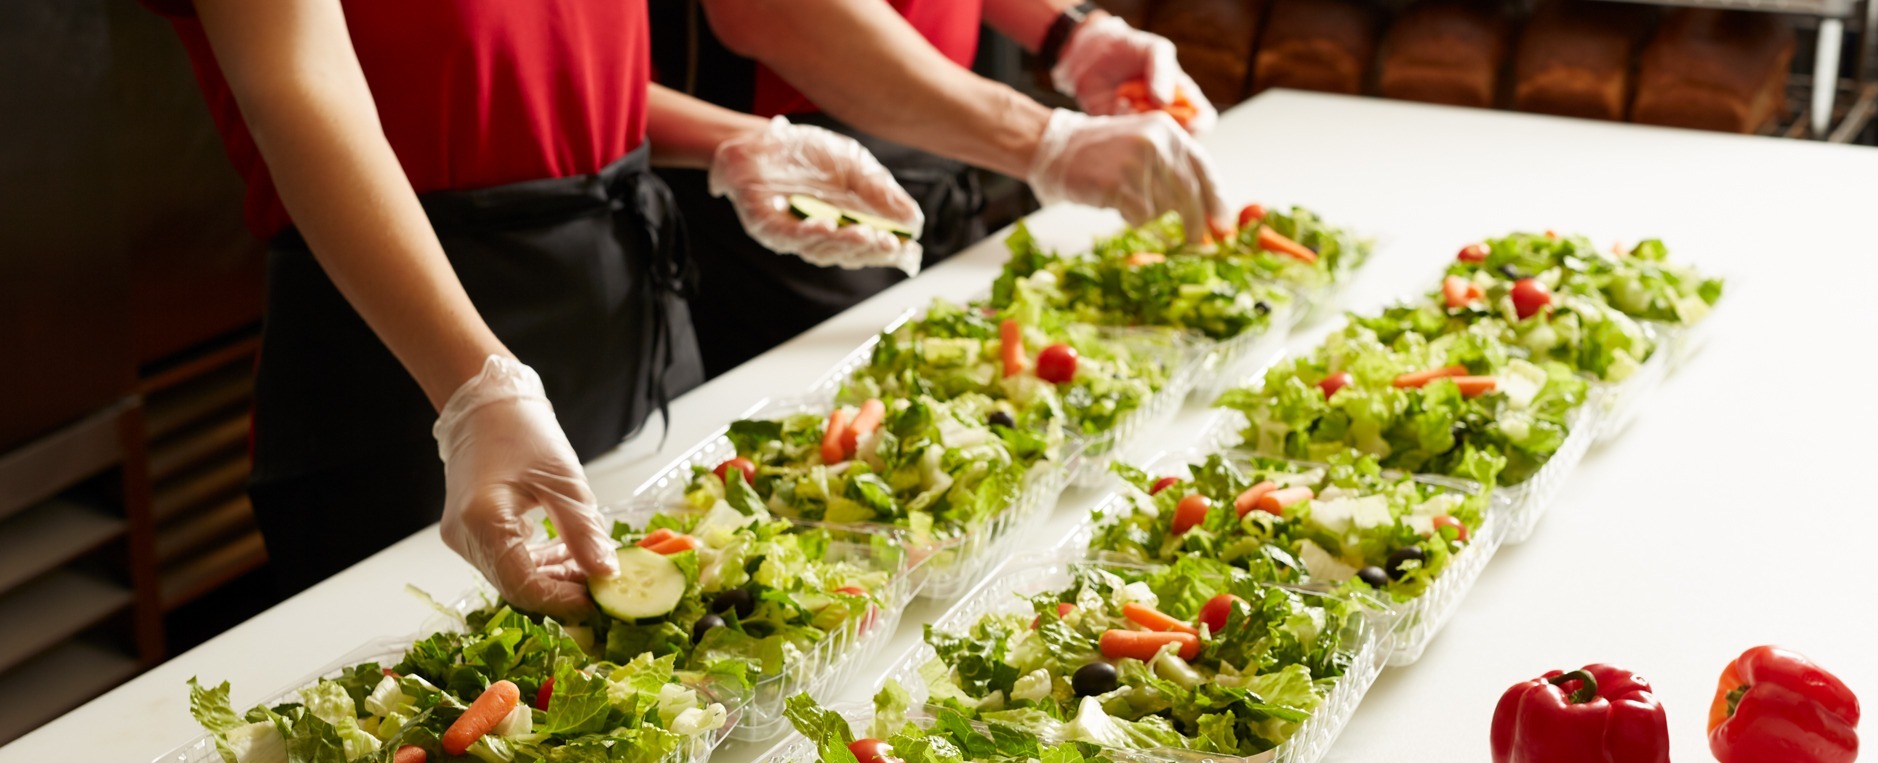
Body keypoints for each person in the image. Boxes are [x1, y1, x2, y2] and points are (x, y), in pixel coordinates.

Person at [140, 0, 922, 617]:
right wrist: (472, 391)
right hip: (411, 372)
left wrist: (737, 143)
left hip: (630, 325)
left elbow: (527, 57)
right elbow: (300, 89)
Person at [654, 0, 1229, 373]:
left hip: (944, 131)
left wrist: (1066, 31)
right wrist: (1043, 140)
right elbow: (769, 13)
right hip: (788, 179)